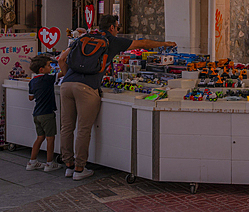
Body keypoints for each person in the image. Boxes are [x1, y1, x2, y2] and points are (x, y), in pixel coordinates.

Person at [57, 15, 176, 180]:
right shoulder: (112, 41)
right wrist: (165, 43)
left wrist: (67, 76)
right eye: (117, 27)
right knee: (83, 130)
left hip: (66, 84)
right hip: (87, 87)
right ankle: (79, 168)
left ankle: (68, 166)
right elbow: (144, 43)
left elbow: (61, 59)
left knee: (67, 127)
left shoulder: (84, 38)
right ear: (112, 27)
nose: (117, 30)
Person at [26, 55, 62, 172]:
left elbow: (31, 97)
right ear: (42, 69)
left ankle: (32, 161)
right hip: (47, 113)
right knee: (50, 138)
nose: (51, 67)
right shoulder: (48, 79)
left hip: (36, 114)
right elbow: (63, 73)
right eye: (48, 65)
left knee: (40, 137)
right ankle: (49, 163)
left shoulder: (32, 81)